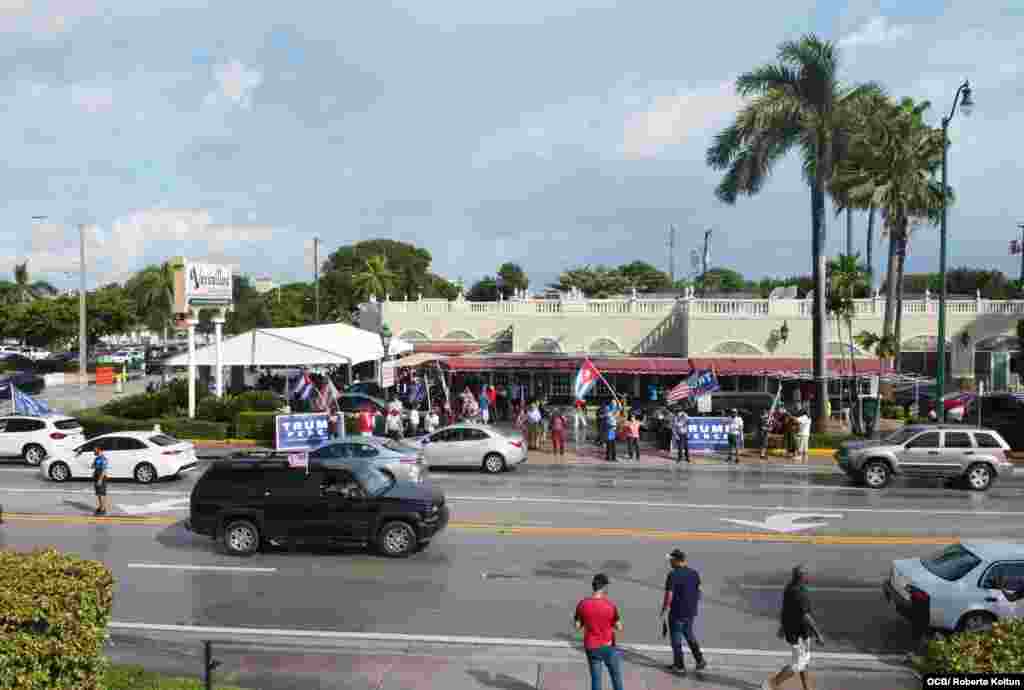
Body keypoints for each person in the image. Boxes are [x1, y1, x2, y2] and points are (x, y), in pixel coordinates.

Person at [762, 565, 825, 690]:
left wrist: (782, 627)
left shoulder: (789, 588)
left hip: (792, 632)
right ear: (802, 577)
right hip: (799, 635)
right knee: (798, 664)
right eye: (806, 574)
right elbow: (806, 616)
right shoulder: (801, 593)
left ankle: (807, 688)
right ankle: (771, 684)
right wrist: (818, 634)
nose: (809, 576)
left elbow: (785, 610)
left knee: (803, 662)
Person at [574, 573, 625, 690]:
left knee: (596, 679)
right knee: (616, 677)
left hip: (591, 647)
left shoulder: (582, 604)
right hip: (608, 647)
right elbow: (619, 627)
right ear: (604, 587)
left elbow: (577, 626)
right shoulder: (610, 606)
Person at [660, 549, 706, 675]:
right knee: (689, 635)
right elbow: (699, 592)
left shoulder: (673, 575)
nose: (670, 562)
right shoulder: (694, 573)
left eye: (671, 560)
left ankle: (679, 665)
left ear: (676, 561)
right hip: (690, 612)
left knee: (676, 638)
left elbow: (669, 595)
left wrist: (664, 610)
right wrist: (692, 605)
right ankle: (700, 660)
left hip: (677, 612)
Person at [92, 445, 110, 516]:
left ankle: (103, 509)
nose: (94, 452)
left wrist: (100, 479)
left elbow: (104, 470)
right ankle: (100, 506)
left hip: (101, 477)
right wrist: (93, 465)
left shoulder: (103, 459)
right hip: (96, 477)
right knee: (98, 493)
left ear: (99, 450)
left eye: (95, 450)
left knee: (102, 493)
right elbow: (94, 466)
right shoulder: (96, 459)